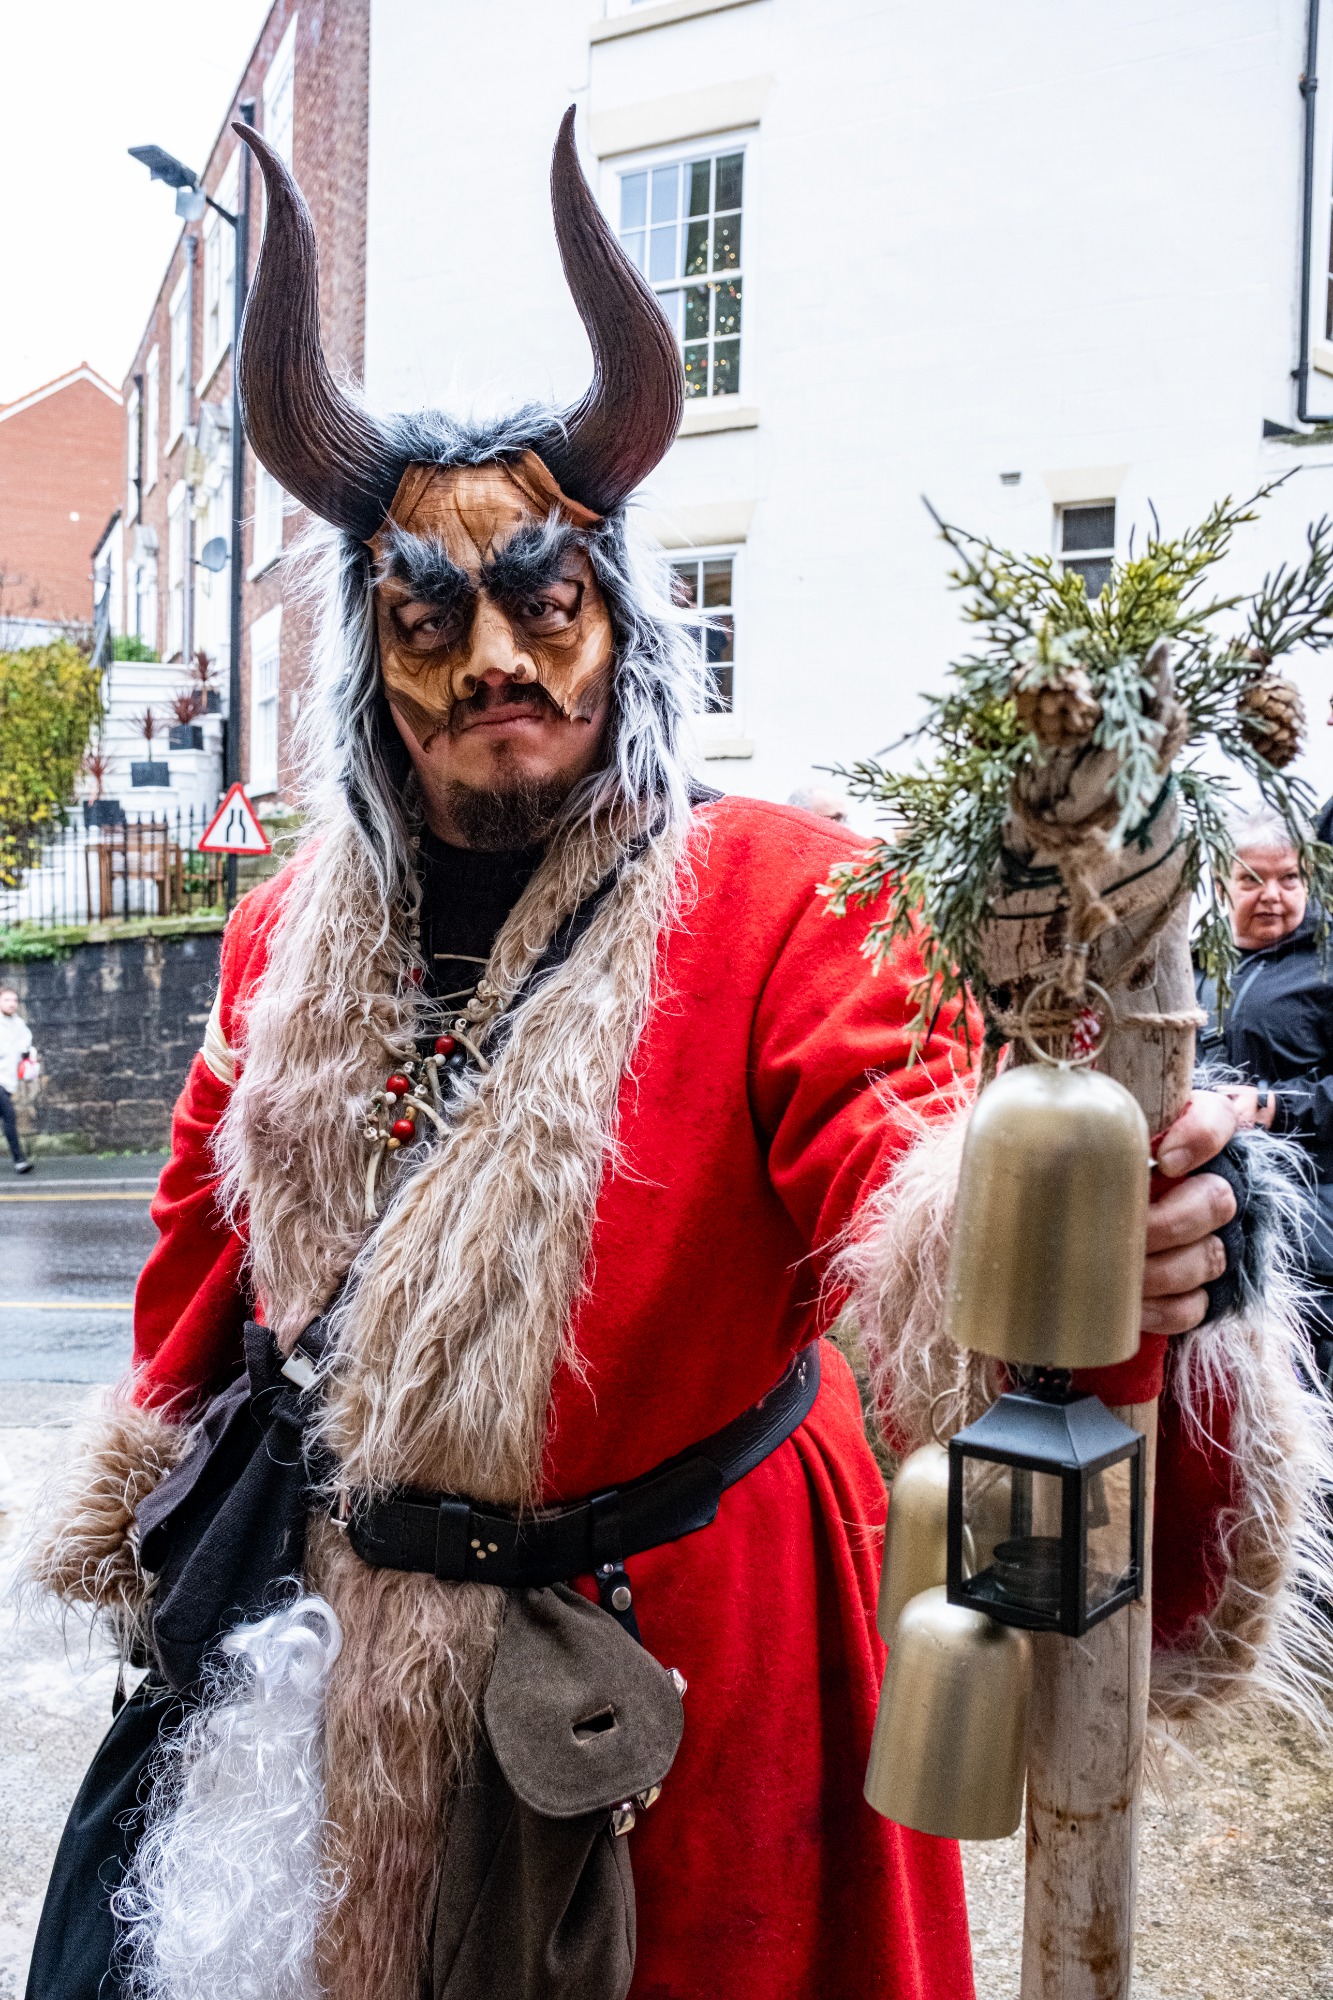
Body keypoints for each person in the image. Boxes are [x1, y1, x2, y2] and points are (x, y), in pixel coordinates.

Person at [24, 115, 1332, 2000]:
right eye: (428, 615)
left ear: (617, 624)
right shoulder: (276, 931)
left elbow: (904, 1178)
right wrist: (150, 1519)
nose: (493, 658)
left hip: (693, 1669)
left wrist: (1070, 1218)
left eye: (543, 600)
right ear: (373, 663)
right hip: (343, 1654)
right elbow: (199, 1268)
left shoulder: (782, 894)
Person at [1198, 807, 1333, 1374]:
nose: (1272, 894)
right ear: (1222, 885)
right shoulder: (1196, 967)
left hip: (1312, 1228)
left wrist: (1274, 1105)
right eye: (1252, 879)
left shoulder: (1324, 963)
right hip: (1215, 1223)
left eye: (1289, 878)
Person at [0, 985, 35, 1175]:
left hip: (8, 1081)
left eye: (14, 1000)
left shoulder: (19, 1025)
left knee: (8, 1118)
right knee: (9, 1116)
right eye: (7, 1000)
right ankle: (19, 1160)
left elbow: (26, 1048)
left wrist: (29, 1062)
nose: (12, 1003)